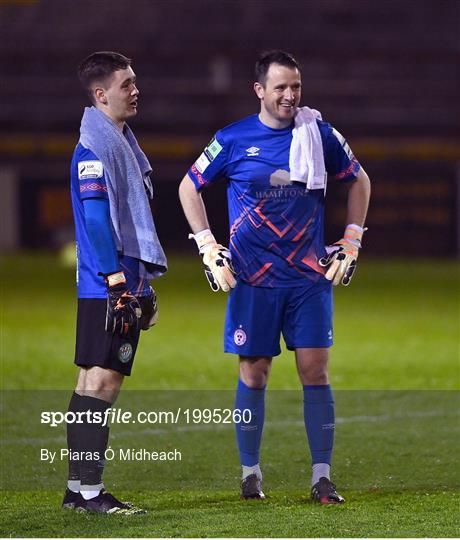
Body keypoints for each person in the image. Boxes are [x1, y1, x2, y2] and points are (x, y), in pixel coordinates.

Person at [179, 50, 370, 504]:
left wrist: (352, 239)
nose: (290, 96)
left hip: (308, 278)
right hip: (253, 279)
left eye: (296, 87)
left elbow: (359, 180)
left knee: (315, 372)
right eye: (280, 87)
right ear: (259, 90)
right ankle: (250, 475)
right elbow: (190, 186)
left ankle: (321, 477)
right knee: (254, 374)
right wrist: (208, 248)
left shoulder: (319, 133)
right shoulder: (231, 139)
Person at [64, 51, 167, 514]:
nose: (135, 89)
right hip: (109, 284)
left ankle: (76, 489)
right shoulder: (94, 149)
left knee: (90, 382)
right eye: (126, 84)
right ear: (101, 95)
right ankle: (89, 492)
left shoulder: (115, 143)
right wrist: (120, 283)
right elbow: (97, 220)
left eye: (135, 81)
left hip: (109, 282)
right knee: (102, 383)